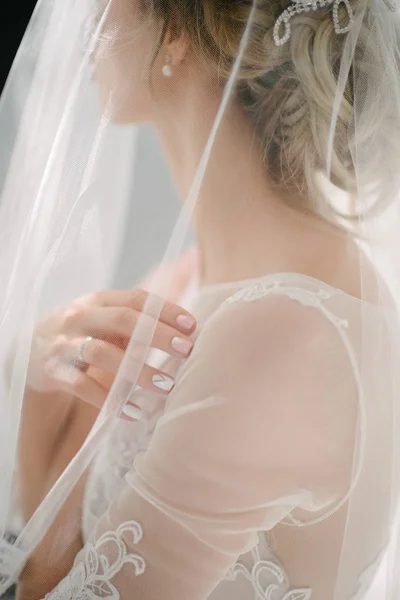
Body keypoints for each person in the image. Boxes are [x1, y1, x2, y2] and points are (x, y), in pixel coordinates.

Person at [1, 0, 400, 598]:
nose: (86, 16)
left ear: (176, 36)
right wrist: (36, 369)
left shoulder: (285, 341)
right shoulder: (183, 281)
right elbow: (48, 522)